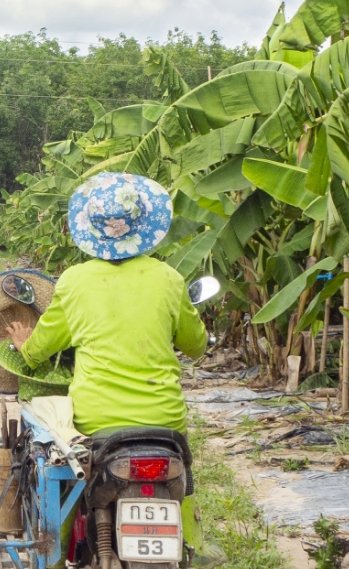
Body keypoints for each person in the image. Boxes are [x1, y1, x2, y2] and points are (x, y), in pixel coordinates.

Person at [12, 172, 206, 435]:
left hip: (95, 420)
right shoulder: (169, 278)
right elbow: (195, 346)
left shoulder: (74, 281)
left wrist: (26, 349)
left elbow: (45, 343)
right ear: (141, 225)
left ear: (92, 228)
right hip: (165, 419)